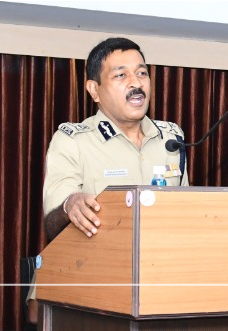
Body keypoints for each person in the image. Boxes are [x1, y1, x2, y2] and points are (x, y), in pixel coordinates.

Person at [41, 37, 187, 241]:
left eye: (141, 73)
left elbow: (185, 214)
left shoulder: (171, 139)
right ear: (94, 90)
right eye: (121, 75)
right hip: (100, 265)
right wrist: (70, 205)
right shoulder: (73, 142)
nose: (136, 83)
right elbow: (52, 224)